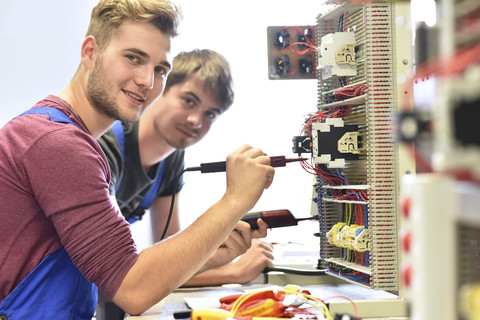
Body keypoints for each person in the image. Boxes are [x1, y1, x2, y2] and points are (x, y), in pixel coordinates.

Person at [0, 0, 275, 319]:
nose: (148, 81)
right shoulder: (59, 143)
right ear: (90, 52)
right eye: (133, 58)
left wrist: (210, 256)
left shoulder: (65, 137)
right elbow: (131, 289)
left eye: (160, 69)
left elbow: (102, 275)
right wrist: (235, 199)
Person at [96, 49, 275, 318]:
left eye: (210, 114)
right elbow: (120, 281)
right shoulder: (103, 148)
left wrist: (222, 248)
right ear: (159, 89)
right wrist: (233, 272)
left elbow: (171, 254)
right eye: (189, 101)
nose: (196, 121)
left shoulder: (171, 159)